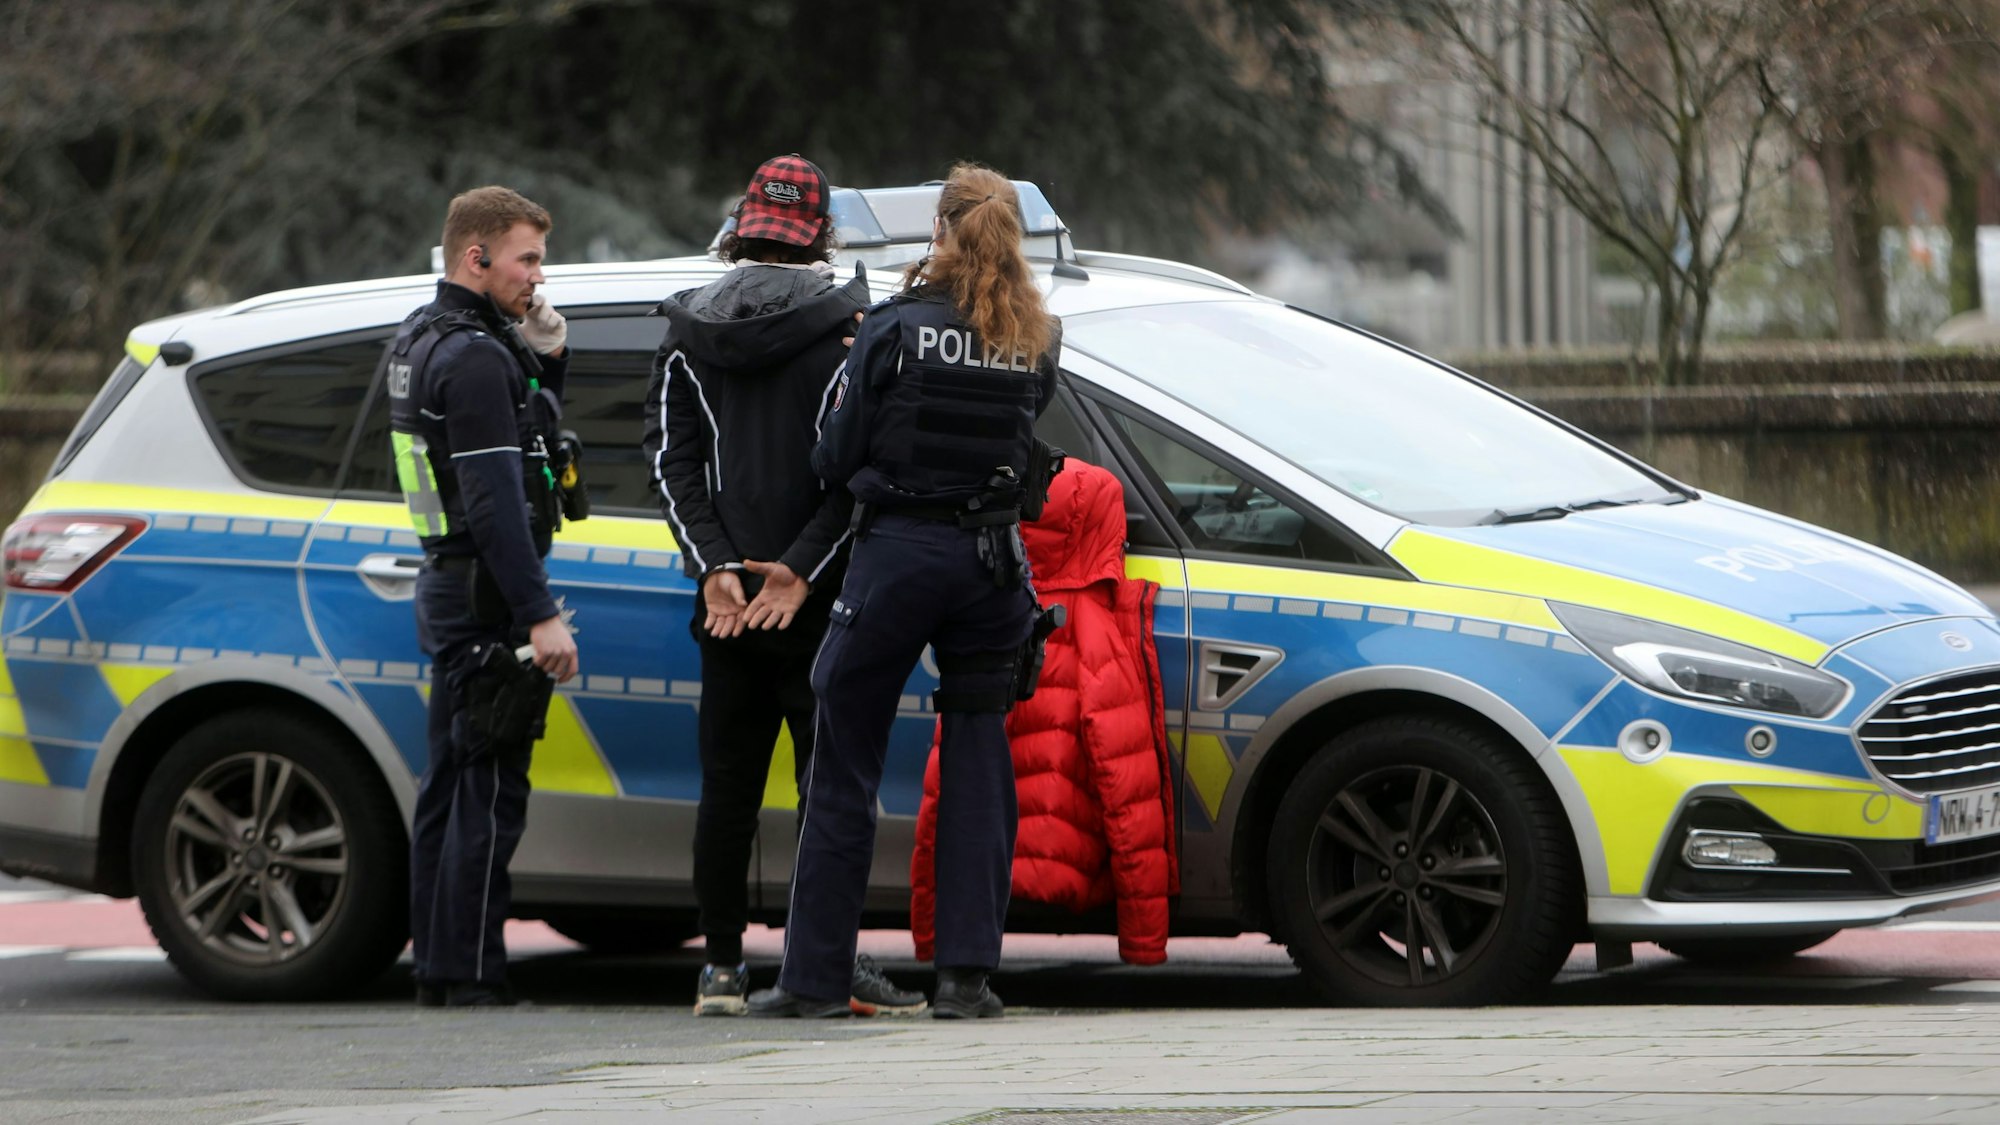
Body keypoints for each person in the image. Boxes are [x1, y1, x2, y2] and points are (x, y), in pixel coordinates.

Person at [751, 164, 1062, 1020]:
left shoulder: (892, 326)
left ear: (941, 230)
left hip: (899, 556)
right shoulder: (1038, 332)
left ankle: (813, 978)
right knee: (976, 757)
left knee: (843, 749)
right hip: (994, 563)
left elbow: (834, 454)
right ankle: (966, 980)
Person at [643, 154, 925, 1018]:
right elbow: (859, 472)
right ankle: (824, 962)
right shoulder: (853, 331)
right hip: (820, 598)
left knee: (726, 786)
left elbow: (670, 463)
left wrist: (716, 567)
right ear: (822, 236)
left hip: (725, 606)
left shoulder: (684, 332)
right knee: (827, 788)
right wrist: (798, 569)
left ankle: (721, 969)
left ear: (741, 230)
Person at [388, 186, 580, 1007]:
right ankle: (470, 975)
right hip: (486, 595)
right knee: (487, 792)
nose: (537, 276)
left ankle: (441, 964)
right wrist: (539, 616)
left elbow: (523, 432)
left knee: (450, 784)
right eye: (526, 258)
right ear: (477, 257)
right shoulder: (472, 358)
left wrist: (545, 356)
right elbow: (499, 497)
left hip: (451, 583)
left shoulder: (423, 339)